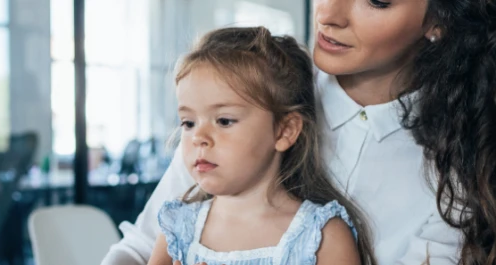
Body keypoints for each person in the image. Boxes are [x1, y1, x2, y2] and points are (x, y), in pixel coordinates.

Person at [102, 0, 496, 264]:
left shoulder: (469, 160)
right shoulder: (247, 103)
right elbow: (141, 247)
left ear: (440, 19)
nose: (329, 14)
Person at [146, 27, 374, 265]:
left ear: (284, 131)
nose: (198, 137)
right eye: (188, 123)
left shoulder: (322, 236)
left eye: (224, 121)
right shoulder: (177, 230)